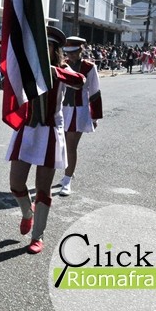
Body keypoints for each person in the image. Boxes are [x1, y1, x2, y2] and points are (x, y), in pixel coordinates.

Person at [6, 26, 86, 254]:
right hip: (27, 128)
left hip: (50, 131)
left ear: (55, 49)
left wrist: (53, 71)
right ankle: (27, 213)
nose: (42, 49)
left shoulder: (62, 68)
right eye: (40, 45)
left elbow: (79, 80)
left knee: (43, 187)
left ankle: (38, 236)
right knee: (16, 183)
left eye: (47, 45)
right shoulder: (28, 65)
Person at [61, 36, 103, 196]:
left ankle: (67, 180)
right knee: (61, 145)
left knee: (71, 146)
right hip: (61, 110)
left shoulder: (89, 67)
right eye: (68, 52)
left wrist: (94, 117)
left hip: (79, 110)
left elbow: (95, 92)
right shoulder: (62, 65)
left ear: (80, 50)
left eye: (73, 52)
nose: (70, 55)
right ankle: (68, 172)